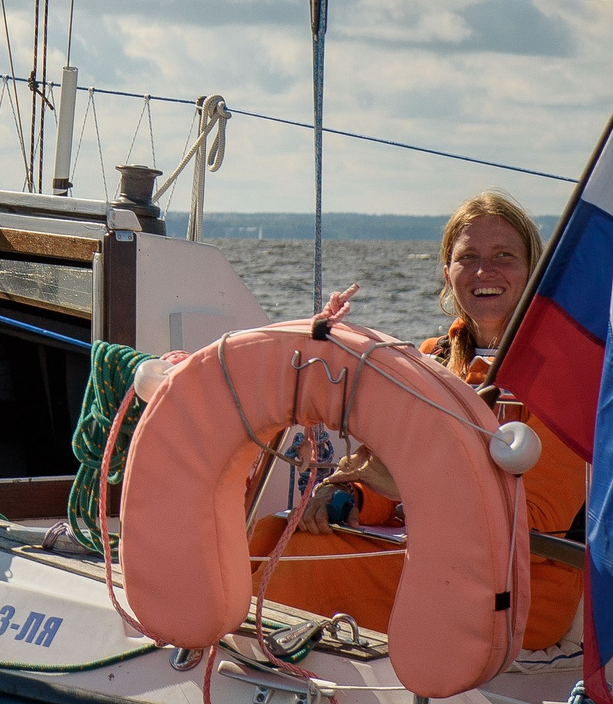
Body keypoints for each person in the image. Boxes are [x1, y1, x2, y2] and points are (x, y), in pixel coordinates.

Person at [252, 191, 590, 656]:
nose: (483, 271)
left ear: (533, 272)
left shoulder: (567, 378)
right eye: (467, 257)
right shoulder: (431, 360)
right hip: (427, 551)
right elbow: (380, 470)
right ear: (447, 272)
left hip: (525, 583)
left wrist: (407, 486)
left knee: (296, 567)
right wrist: (347, 497)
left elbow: (535, 524)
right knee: (269, 535)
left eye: (504, 257)